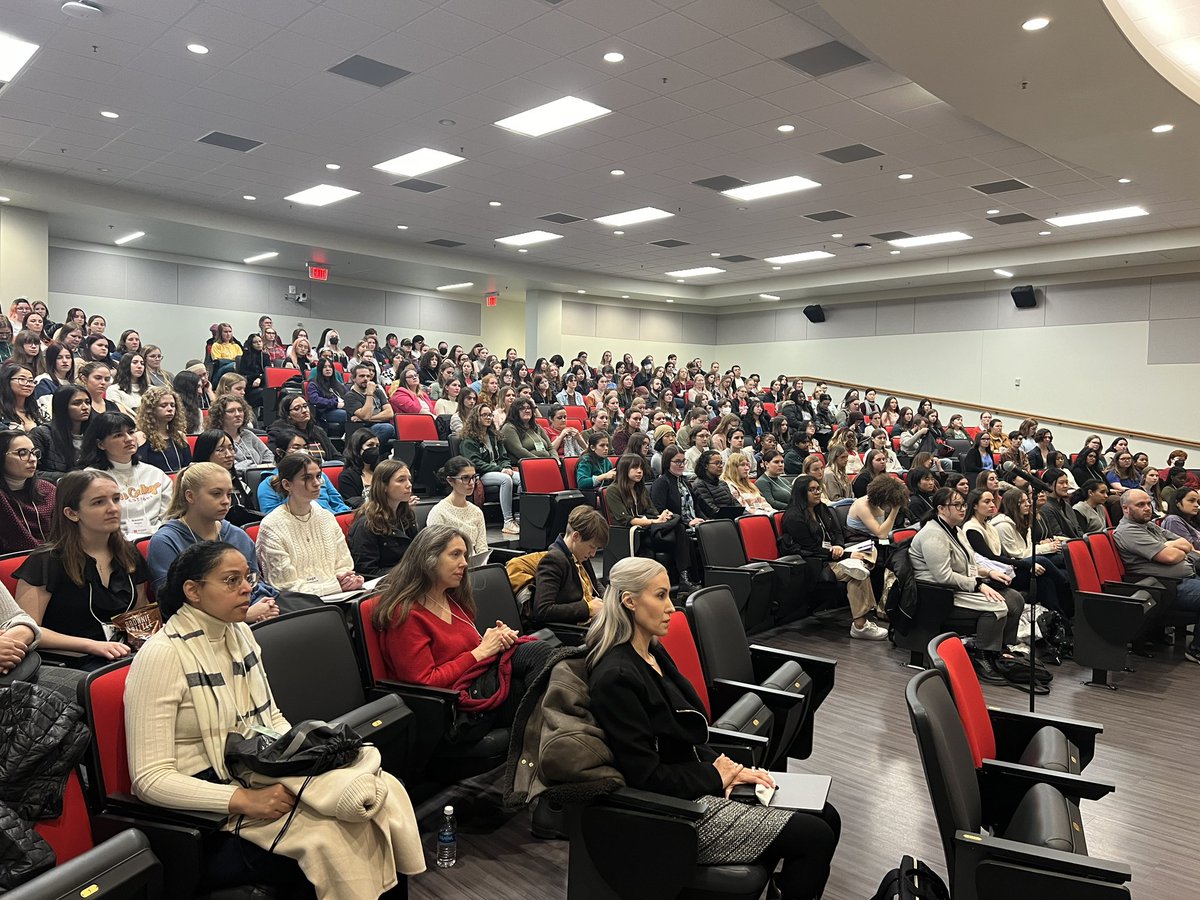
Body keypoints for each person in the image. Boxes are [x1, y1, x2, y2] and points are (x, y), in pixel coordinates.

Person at [126, 541, 422, 897]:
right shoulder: (162, 655)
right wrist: (243, 801)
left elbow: (272, 718)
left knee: (379, 798)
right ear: (193, 591)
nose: (248, 588)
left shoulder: (239, 634)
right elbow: (150, 779)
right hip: (208, 817)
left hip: (257, 772)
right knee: (333, 837)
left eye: (247, 577)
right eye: (231, 580)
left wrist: (302, 762)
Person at [587, 557, 841, 900]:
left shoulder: (652, 653)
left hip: (695, 785)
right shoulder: (616, 676)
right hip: (675, 816)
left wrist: (734, 771)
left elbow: (685, 735)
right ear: (629, 601)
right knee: (816, 837)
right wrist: (715, 776)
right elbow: (645, 777)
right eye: (660, 596)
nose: (670, 607)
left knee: (828, 815)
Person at [372, 525, 554, 744]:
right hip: (455, 711)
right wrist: (481, 651)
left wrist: (493, 639)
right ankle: (553, 748)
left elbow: (471, 650)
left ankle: (555, 746)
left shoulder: (452, 600)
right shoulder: (405, 614)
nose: (465, 563)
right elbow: (426, 682)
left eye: (465, 555)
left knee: (551, 661)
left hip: (478, 685)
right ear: (429, 558)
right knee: (543, 663)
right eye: (455, 554)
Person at [14, 471, 150, 670]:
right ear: (72, 513)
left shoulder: (129, 553)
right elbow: (29, 631)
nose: (113, 508)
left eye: (116, 499)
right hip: (70, 660)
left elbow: (139, 612)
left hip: (122, 654)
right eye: (98, 502)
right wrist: (93, 646)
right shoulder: (46, 560)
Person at [909, 487, 1025, 682]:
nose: (962, 509)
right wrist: (978, 585)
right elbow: (943, 576)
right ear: (941, 509)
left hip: (960, 585)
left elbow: (969, 563)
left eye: (963, 504)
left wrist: (989, 572)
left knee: (1015, 599)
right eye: (956, 505)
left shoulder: (956, 529)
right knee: (998, 607)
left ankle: (999, 650)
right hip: (938, 593)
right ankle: (982, 657)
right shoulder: (933, 534)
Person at [145, 463, 279, 622]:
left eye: (229, 494)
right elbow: (173, 605)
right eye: (216, 494)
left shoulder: (238, 535)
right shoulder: (166, 542)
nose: (225, 501)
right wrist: (243, 616)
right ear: (190, 496)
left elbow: (254, 584)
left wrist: (265, 606)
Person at [781, 475, 886, 640]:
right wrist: (845, 554)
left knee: (870, 552)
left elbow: (837, 532)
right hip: (816, 562)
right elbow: (810, 548)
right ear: (802, 493)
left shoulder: (822, 509)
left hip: (835, 555)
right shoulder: (794, 517)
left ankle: (862, 619)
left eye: (818, 488)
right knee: (857, 573)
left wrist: (839, 546)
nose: (817, 492)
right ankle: (860, 625)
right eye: (812, 490)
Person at [255, 453, 363, 596]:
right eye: (307, 478)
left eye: (318, 476)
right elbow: (285, 586)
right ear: (287, 484)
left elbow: (344, 565)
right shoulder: (272, 526)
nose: (317, 483)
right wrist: (335, 587)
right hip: (301, 607)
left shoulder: (327, 518)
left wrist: (349, 581)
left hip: (340, 596)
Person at [1113, 490, 1200, 665]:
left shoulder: (1149, 525)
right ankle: (1196, 650)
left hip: (1186, 578)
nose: (1147, 508)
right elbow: (1169, 557)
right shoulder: (1128, 531)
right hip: (1164, 586)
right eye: (1140, 505)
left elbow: (1186, 544)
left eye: (1148, 503)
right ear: (1126, 509)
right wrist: (1176, 550)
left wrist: (1172, 547)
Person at [962, 489, 1071, 616]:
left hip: (1005, 567)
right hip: (991, 574)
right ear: (975, 505)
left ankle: (1060, 618)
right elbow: (990, 556)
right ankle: (1067, 584)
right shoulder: (972, 528)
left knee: (1044, 579)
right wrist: (1025, 565)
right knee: (1041, 561)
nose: (992, 504)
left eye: (992, 501)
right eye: (987, 502)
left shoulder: (989, 526)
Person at [606, 454, 697, 591]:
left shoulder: (639, 488)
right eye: (635, 468)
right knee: (679, 531)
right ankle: (684, 579)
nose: (640, 471)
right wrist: (654, 520)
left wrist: (663, 516)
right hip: (631, 535)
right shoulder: (613, 490)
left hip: (649, 529)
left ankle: (685, 578)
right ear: (624, 469)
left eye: (641, 468)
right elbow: (626, 519)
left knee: (679, 528)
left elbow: (652, 511)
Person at [80, 411, 174, 538]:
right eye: (118, 435)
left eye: (131, 432)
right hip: (113, 542)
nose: (129, 439)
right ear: (101, 444)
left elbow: (168, 516)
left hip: (158, 540)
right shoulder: (91, 478)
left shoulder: (155, 474)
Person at [532, 505, 608, 625]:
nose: (593, 554)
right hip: (573, 630)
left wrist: (609, 601)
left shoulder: (578, 553)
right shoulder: (554, 560)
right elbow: (543, 610)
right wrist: (588, 608)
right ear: (576, 536)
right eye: (592, 546)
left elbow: (593, 583)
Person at [347, 460, 421, 578]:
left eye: (409, 479)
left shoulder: (407, 516)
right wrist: (408, 572)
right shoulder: (366, 524)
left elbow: (417, 555)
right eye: (401, 480)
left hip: (409, 579)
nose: (409, 484)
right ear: (384, 486)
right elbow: (367, 572)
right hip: (386, 586)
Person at [459, 406, 521, 536]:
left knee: (522, 479)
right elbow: (475, 463)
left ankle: (520, 516)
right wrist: (500, 469)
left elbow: (504, 457)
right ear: (476, 417)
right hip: (481, 474)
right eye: (484, 415)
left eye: (490, 415)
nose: (488, 418)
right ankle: (508, 521)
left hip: (499, 470)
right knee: (506, 480)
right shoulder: (469, 439)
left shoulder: (494, 435)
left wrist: (507, 467)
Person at [256, 430, 348, 515]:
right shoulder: (270, 483)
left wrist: (344, 519)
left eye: (305, 447)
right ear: (280, 452)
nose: (302, 451)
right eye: (296, 448)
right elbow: (272, 516)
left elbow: (338, 503)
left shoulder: (319, 474)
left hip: (330, 519)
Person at [0, 430, 55, 555]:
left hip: (54, 558)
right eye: (22, 453)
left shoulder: (48, 489)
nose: (32, 459)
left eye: (34, 453)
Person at [190, 430, 259, 526]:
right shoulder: (193, 483)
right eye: (220, 450)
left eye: (231, 449)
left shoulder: (240, 484)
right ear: (205, 453)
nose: (229, 455)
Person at [426, 456, 489, 556]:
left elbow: (482, 548)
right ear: (450, 480)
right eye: (465, 478)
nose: (472, 483)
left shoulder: (476, 511)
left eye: (473, 477)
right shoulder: (439, 512)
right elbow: (435, 552)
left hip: (475, 565)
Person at [32, 384, 90, 483]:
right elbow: (32, 472)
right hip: (54, 490)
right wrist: (70, 478)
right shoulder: (42, 434)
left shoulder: (94, 432)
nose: (85, 407)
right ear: (62, 406)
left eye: (87, 402)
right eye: (77, 403)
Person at [134, 386, 193, 473]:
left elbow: (187, 467)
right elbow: (141, 470)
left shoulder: (180, 436)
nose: (170, 409)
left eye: (173, 405)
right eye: (163, 405)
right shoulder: (141, 437)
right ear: (151, 409)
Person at [271, 394, 340, 461]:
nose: (304, 411)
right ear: (288, 414)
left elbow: (336, 456)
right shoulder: (279, 433)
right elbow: (276, 458)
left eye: (305, 406)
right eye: (297, 408)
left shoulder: (318, 431)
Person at [344, 363, 397, 442]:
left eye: (368, 376)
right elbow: (365, 415)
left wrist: (369, 418)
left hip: (380, 425)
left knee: (404, 429)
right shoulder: (350, 396)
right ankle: (371, 451)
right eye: (361, 376)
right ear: (353, 378)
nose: (366, 379)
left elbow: (389, 413)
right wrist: (369, 394)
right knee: (387, 428)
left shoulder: (378, 391)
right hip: (363, 429)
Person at [338, 428, 380, 507]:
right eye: (370, 445)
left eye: (377, 446)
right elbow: (353, 504)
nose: (375, 449)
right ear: (357, 447)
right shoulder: (347, 476)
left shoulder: (381, 471)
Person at [690, 449, 738, 520]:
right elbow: (712, 510)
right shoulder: (699, 485)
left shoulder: (722, 483)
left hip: (730, 518)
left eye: (721, 463)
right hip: (716, 522)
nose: (720, 466)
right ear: (706, 465)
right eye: (717, 463)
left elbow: (735, 503)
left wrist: (745, 515)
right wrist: (734, 515)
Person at [500, 396, 553, 460]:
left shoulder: (536, 427)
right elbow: (518, 451)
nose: (527, 411)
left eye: (529, 408)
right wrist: (541, 461)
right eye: (522, 408)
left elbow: (551, 448)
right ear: (515, 411)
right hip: (528, 464)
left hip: (548, 462)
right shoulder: (509, 428)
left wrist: (555, 459)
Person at [305, 357, 348, 434]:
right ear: (320, 369)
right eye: (325, 367)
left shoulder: (337, 383)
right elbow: (315, 400)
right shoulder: (313, 383)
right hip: (324, 412)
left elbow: (348, 395)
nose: (328, 369)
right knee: (347, 415)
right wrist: (336, 404)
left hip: (342, 408)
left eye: (330, 367)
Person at [1039, 468, 1083, 540]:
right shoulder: (1045, 508)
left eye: (1066, 482)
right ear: (1048, 485)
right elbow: (1058, 535)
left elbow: (1078, 529)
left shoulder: (1066, 505)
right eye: (1061, 483)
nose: (1066, 486)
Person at [0, 362, 45, 432]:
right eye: (22, 379)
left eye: (31, 381)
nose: (28, 384)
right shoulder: (2, 413)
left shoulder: (39, 411)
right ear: (7, 381)